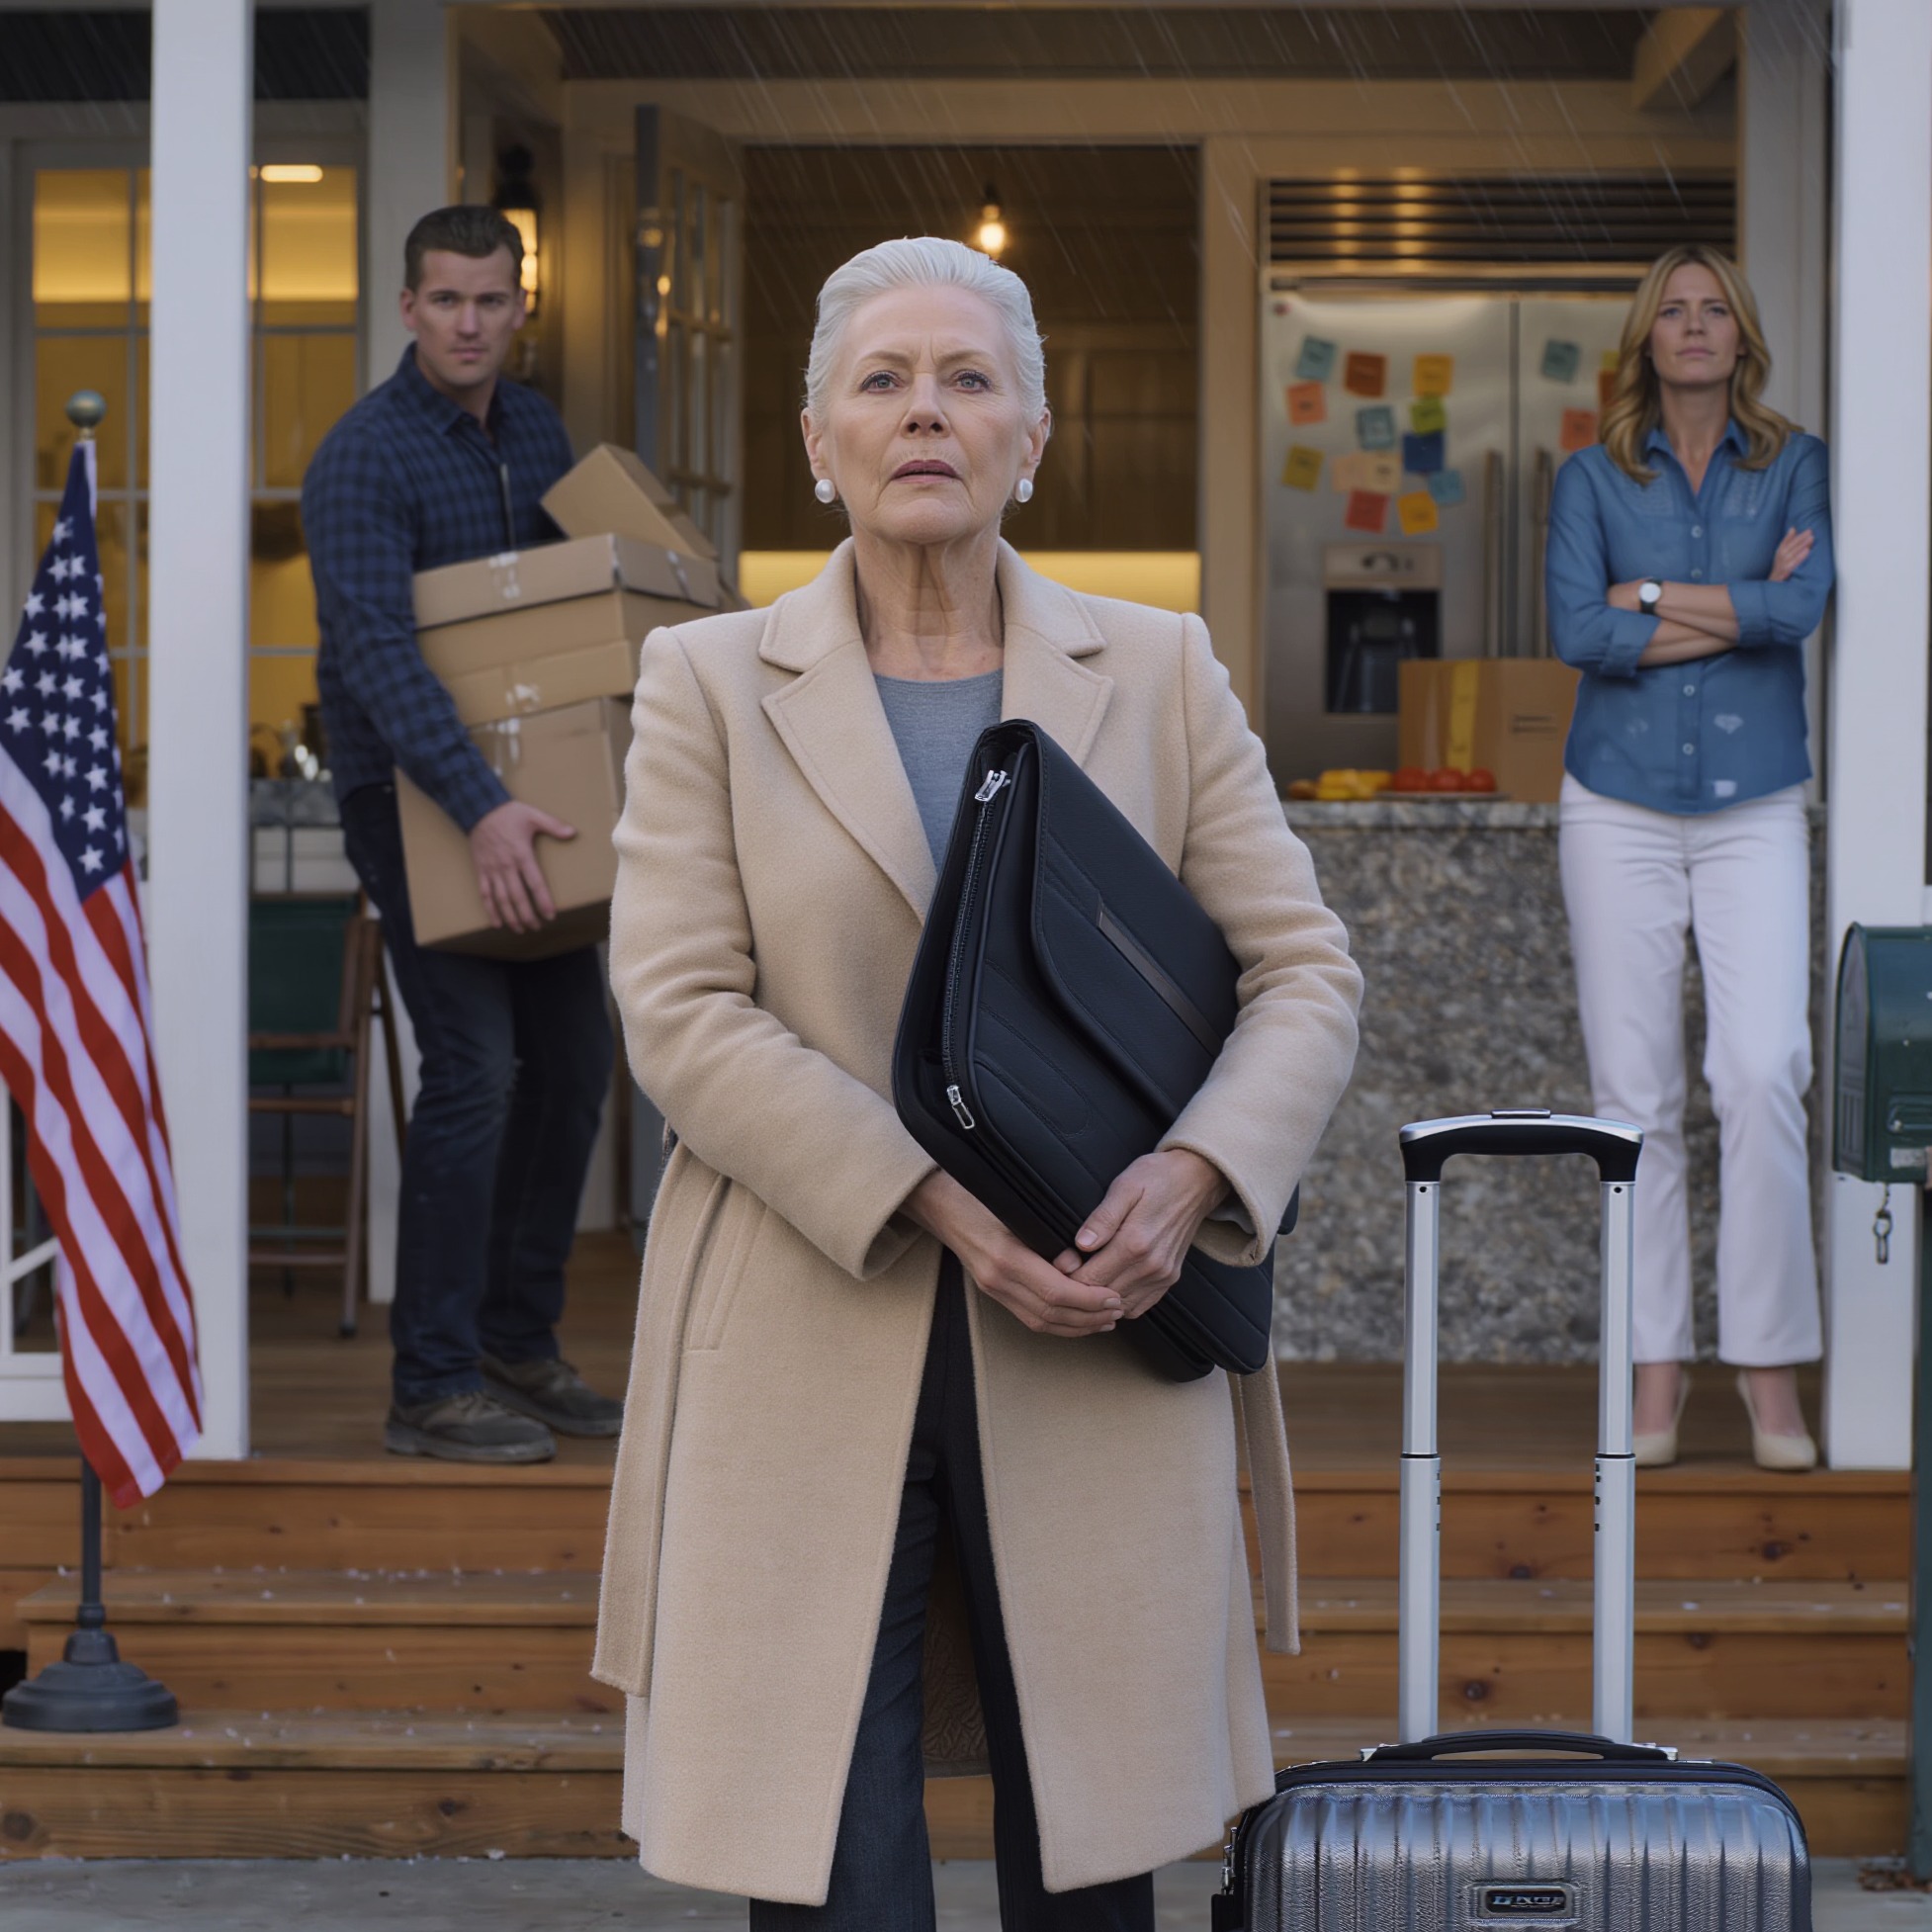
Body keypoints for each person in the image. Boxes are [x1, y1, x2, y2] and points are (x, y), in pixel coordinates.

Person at [591, 236, 1361, 1925]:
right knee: (830, 1861)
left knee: (1092, 1858)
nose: (923, 411)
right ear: (818, 439)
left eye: (965, 379)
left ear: (1032, 434)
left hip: (1099, 1320)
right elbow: (680, 1008)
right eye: (881, 381)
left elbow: (1301, 972)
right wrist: (932, 1195)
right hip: (803, 1316)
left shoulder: (1158, 669)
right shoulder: (705, 682)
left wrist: (1191, 1175)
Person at [302, 207, 620, 1464]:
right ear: (408, 308)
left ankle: (514, 1341)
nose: (470, 324)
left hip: (527, 794)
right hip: (407, 795)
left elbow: (565, 611)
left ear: (521, 304)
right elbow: (376, 656)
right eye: (446, 301)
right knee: (477, 1068)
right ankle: (430, 1382)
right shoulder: (363, 457)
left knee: (575, 1060)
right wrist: (477, 806)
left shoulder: (535, 432)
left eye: (492, 300)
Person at [1545, 243, 1833, 1472]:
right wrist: (1732, 603)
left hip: (1754, 801)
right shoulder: (1589, 474)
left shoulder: (1796, 463)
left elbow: (1799, 612)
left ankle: (1769, 1372)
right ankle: (1651, 1368)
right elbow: (1576, 630)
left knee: (1763, 1071)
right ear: (1646, 337)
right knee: (1633, 1099)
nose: (1696, 326)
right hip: (1613, 805)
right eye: (1674, 310)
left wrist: (1649, 596)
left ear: (1741, 335)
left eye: (1716, 309)